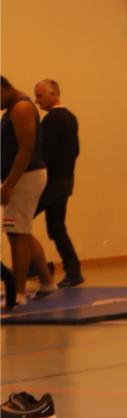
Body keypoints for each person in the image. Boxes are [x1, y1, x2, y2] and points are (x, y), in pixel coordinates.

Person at [0, 77, 56, 304]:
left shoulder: (22, 107)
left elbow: (26, 150)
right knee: (21, 230)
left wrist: (9, 184)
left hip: (25, 176)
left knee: (16, 232)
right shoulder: (13, 108)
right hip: (21, 176)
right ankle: (46, 281)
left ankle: (19, 292)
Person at [33, 79, 83, 287]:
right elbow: (76, 150)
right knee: (54, 227)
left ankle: (49, 267)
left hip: (51, 183)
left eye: (40, 96)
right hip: (65, 180)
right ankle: (49, 266)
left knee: (20, 222)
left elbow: (45, 154)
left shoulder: (52, 120)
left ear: (54, 95)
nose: (37, 101)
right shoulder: (70, 117)